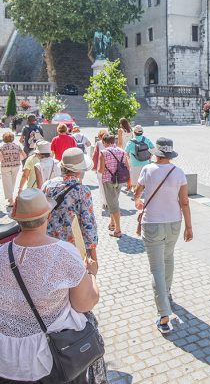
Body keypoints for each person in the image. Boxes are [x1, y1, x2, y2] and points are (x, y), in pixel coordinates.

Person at [0, 188, 99, 384]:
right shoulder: (63, 253)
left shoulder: (2, 252)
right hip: (51, 355)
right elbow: (85, 304)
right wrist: (92, 275)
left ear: (17, 219)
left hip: (6, 358)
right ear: (48, 214)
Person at [134, 137, 193, 334]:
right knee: (168, 258)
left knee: (156, 268)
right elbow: (184, 202)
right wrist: (189, 227)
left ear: (156, 153)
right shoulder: (179, 172)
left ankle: (164, 315)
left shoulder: (147, 170)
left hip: (152, 223)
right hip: (174, 223)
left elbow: (137, 190)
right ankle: (166, 292)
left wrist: (137, 200)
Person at [43, 147, 98, 264]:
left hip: (49, 244)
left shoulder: (47, 185)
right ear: (79, 170)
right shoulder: (82, 191)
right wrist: (93, 257)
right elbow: (88, 224)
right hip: (72, 248)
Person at [98, 133, 130, 238]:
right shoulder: (123, 151)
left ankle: (118, 230)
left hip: (108, 180)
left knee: (113, 204)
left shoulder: (103, 153)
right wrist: (129, 182)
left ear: (104, 142)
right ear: (114, 141)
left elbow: (101, 170)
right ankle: (112, 223)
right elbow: (127, 167)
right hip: (120, 179)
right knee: (114, 201)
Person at [0, 131, 25, 208]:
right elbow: (24, 155)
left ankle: (11, 200)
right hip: (16, 166)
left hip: (5, 166)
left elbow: (1, 158)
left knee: (7, 183)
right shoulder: (17, 146)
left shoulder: (1, 147)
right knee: (12, 181)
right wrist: (17, 159)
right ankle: (10, 197)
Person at [124, 125, 154, 190]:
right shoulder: (146, 139)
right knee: (145, 181)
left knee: (135, 182)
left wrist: (128, 156)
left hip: (134, 164)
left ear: (134, 133)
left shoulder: (131, 142)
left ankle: (136, 195)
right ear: (142, 132)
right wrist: (150, 156)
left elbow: (125, 152)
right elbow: (153, 148)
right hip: (146, 163)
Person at [92, 129, 108, 210]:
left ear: (99, 136)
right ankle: (109, 201)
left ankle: (104, 203)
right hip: (110, 167)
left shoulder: (98, 143)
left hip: (100, 167)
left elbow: (95, 155)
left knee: (101, 186)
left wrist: (94, 167)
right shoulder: (111, 143)